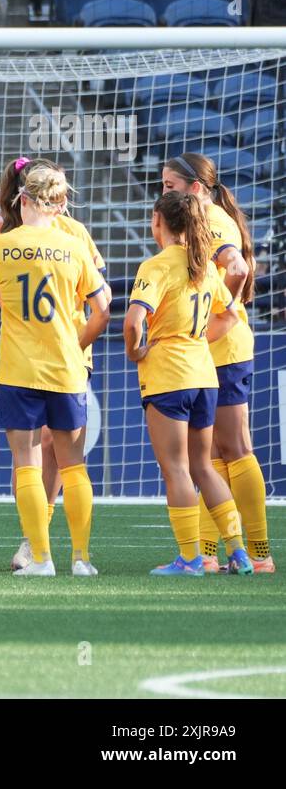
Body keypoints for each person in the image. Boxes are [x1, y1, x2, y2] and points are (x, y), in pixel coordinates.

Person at [0, 156, 110, 571]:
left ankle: (40, 556)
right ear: (58, 199)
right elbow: (103, 307)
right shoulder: (74, 243)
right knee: (74, 463)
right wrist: (75, 343)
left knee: (27, 462)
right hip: (68, 365)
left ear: (21, 196)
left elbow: (3, 303)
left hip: (20, 367)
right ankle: (82, 559)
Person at [124, 191, 252, 576]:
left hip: (169, 376)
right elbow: (231, 315)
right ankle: (240, 553)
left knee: (177, 469)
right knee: (204, 466)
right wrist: (196, 339)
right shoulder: (205, 266)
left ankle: (191, 559)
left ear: (158, 222)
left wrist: (136, 352)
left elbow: (132, 322)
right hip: (204, 376)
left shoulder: (156, 266)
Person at [161, 153, 273, 573]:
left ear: (195, 188)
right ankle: (209, 552)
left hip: (221, 349)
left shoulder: (210, 218)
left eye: (170, 186)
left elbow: (237, 267)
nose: (163, 193)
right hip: (217, 350)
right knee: (216, 457)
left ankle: (259, 554)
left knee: (236, 448)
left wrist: (209, 317)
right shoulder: (213, 217)